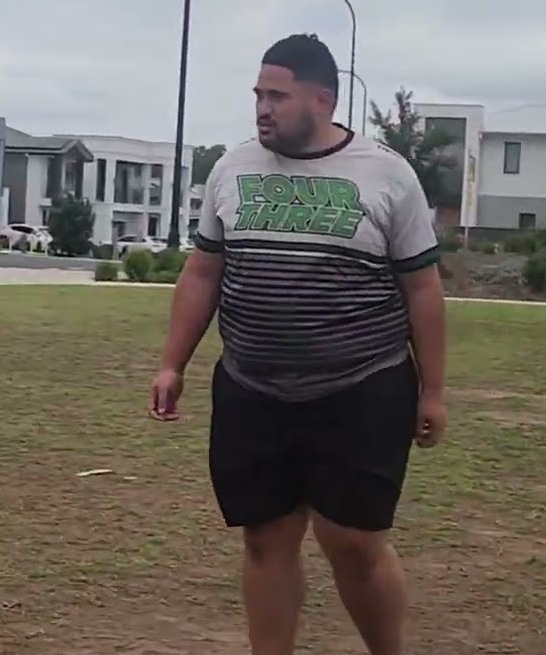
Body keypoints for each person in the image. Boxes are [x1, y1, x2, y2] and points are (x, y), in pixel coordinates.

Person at [150, 33, 447, 655]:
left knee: (355, 543)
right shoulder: (233, 168)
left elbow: (421, 286)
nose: (262, 106)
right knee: (265, 538)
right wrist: (173, 362)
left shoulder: (387, 174)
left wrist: (435, 390)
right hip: (253, 388)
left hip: (362, 387)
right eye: (258, 94)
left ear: (322, 99)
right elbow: (204, 271)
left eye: (276, 95)